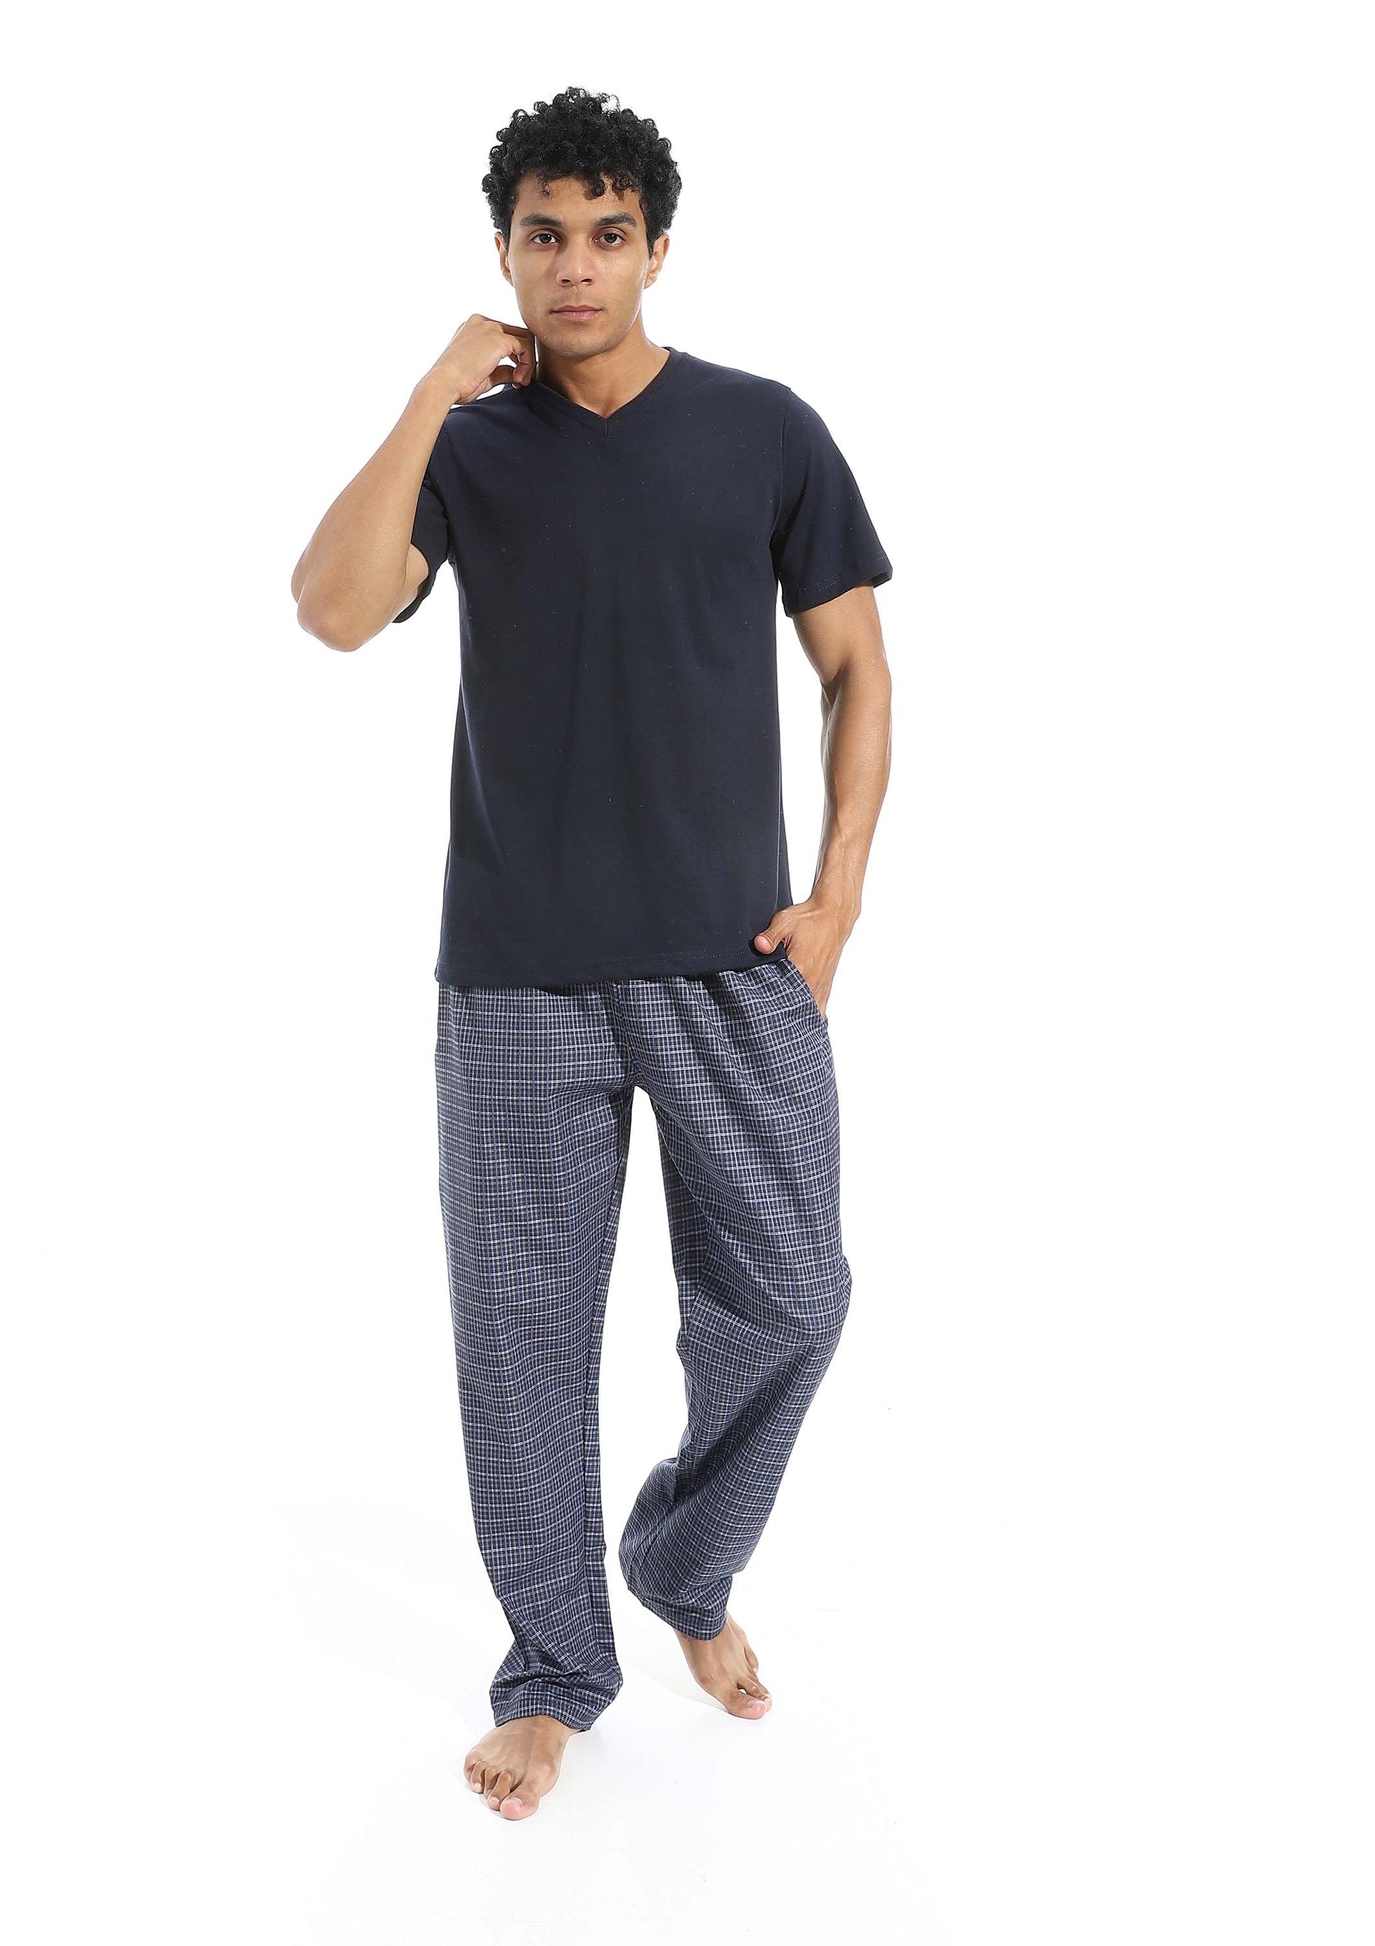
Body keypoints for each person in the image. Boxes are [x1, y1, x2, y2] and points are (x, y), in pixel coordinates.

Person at [289, 86, 893, 1820]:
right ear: (503, 252)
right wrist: (427, 394)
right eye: (542, 235)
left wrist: (838, 897)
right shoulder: (468, 450)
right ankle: (554, 1671)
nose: (573, 266)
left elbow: (855, 667)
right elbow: (332, 608)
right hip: (516, 971)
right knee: (522, 1343)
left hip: (730, 960)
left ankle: (682, 1563)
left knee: (796, 1294)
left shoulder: (763, 429)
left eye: (605, 235)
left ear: (655, 250)